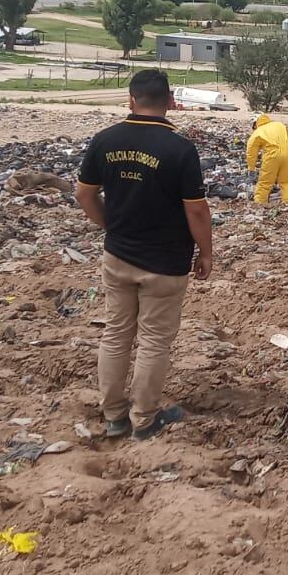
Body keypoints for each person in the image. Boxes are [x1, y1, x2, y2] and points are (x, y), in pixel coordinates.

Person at [75, 69, 213, 440]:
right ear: (169, 101)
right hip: (165, 264)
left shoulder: (105, 140)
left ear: (131, 99)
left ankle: (114, 416)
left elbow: (85, 195)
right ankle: (144, 419)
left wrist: (111, 227)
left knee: (116, 334)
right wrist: (206, 253)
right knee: (154, 340)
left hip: (118, 256)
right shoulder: (180, 149)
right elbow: (197, 210)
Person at [246, 113, 288, 205]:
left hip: (272, 156)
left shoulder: (257, 132)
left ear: (254, 123)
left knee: (265, 182)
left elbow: (251, 153)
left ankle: (259, 202)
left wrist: (251, 168)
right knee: (287, 181)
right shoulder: (279, 125)